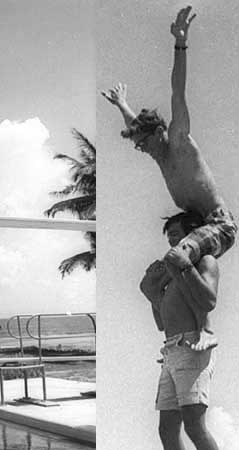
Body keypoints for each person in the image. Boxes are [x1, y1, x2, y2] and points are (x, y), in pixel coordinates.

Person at [102, 6, 237, 351]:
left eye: (143, 143)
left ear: (158, 132)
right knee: (150, 284)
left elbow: (178, 92)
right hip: (196, 231)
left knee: (178, 258)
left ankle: (207, 329)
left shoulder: (177, 139)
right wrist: (122, 104)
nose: (141, 150)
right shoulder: (158, 151)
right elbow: (137, 128)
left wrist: (180, 44)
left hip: (220, 226)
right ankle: (174, 336)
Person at [140, 212, 230, 450]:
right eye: (169, 239)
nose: (173, 244)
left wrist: (184, 266)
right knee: (167, 428)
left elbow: (208, 301)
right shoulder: (173, 272)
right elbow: (163, 322)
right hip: (171, 349)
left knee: (194, 424)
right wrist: (153, 293)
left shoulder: (205, 262)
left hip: (195, 346)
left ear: (194, 236)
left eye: (177, 236)